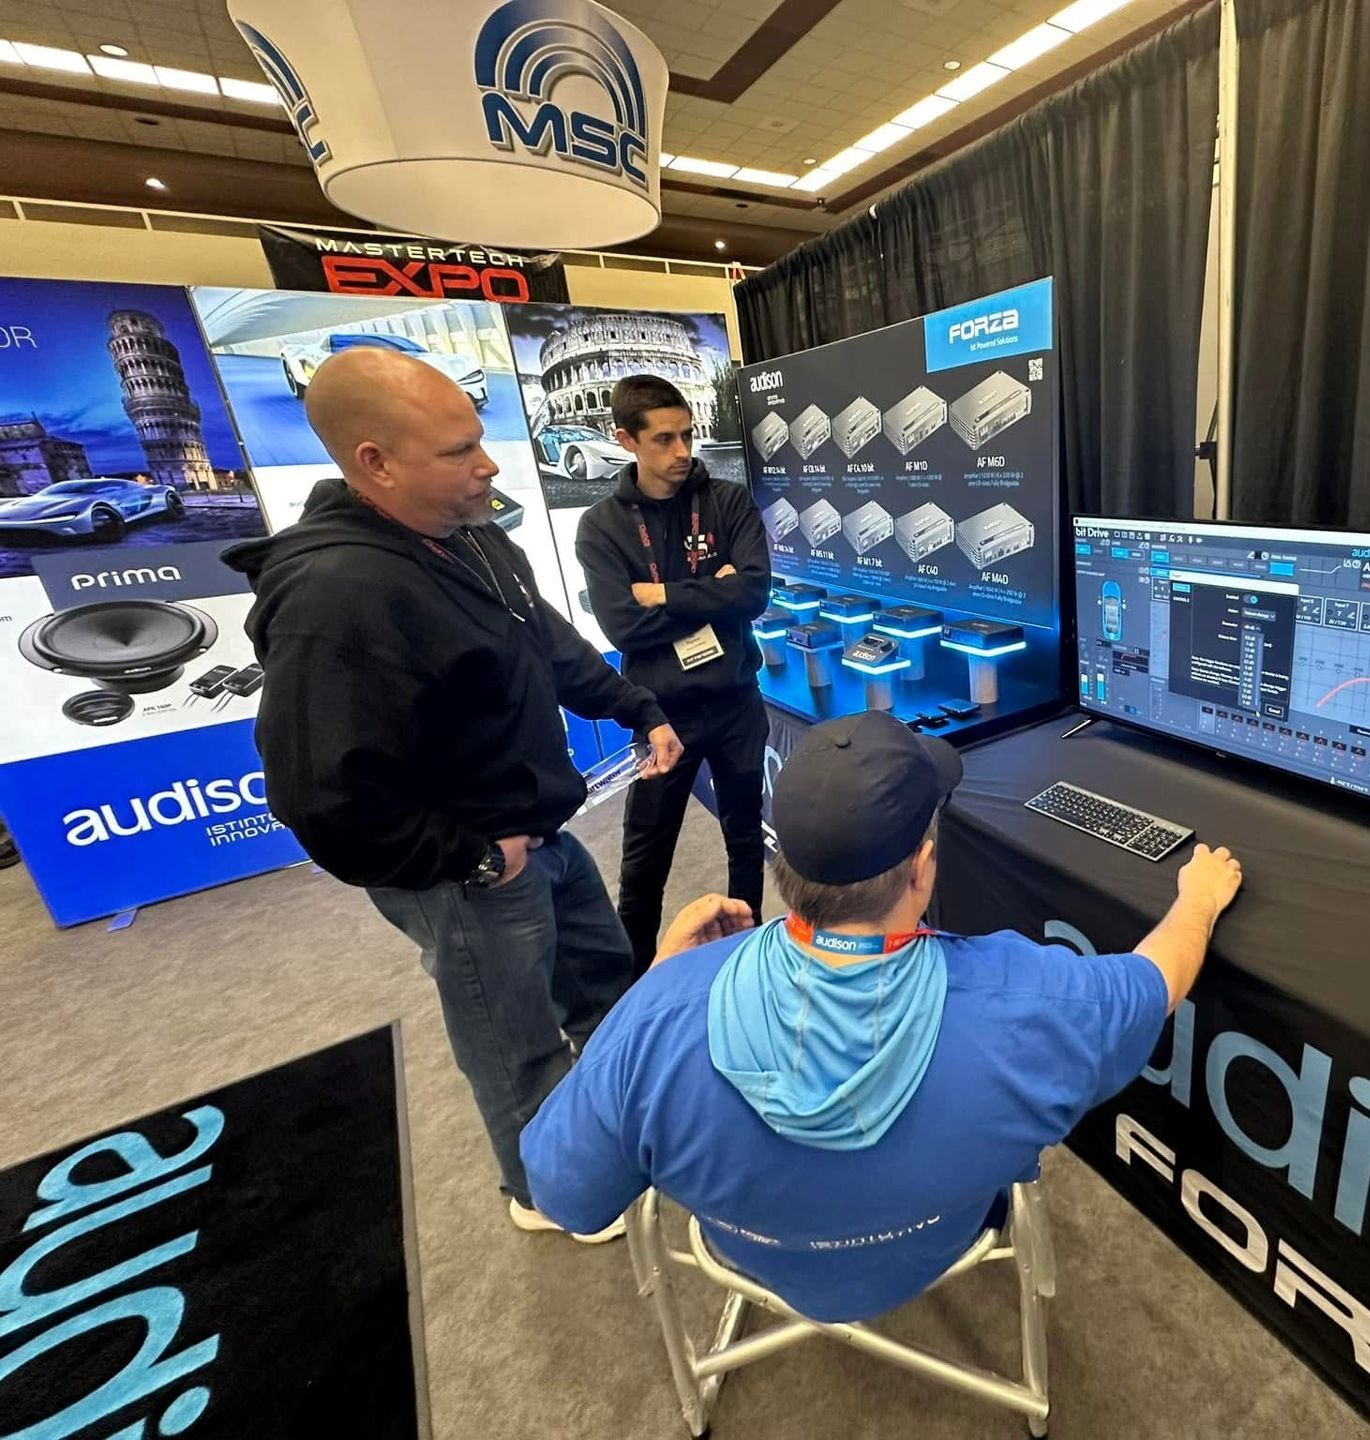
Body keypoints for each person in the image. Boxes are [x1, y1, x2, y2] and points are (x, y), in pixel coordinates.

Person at [521, 711, 1243, 1318]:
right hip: (937, 1240)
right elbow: (1157, 979)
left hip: (748, 1249)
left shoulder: (660, 1015)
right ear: (922, 868)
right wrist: (1199, 899)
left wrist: (656, 983)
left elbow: (567, 1194)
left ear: (786, 866)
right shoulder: (1029, 1001)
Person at [225, 346, 685, 1242]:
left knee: (602, 985)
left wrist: (636, 708)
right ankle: (542, 1190)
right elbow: (319, 798)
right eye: (458, 451)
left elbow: (546, 644)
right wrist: (471, 857)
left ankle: (624, 1120)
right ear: (375, 462)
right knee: (512, 1039)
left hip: (539, 831)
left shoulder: (472, 538)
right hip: (468, 869)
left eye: (479, 442)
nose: (488, 465)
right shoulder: (338, 593)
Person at [575, 374, 773, 977]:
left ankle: (747, 958)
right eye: (664, 439)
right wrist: (713, 592)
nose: (684, 451)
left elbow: (755, 593)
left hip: (738, 701)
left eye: (687, 435)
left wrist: (660, 593)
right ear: (626, 440)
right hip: (663, 715)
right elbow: (624, 630)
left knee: (746, 839)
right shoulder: (602, 526)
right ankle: (634, 982)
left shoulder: (728, 501)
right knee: (645, 861)